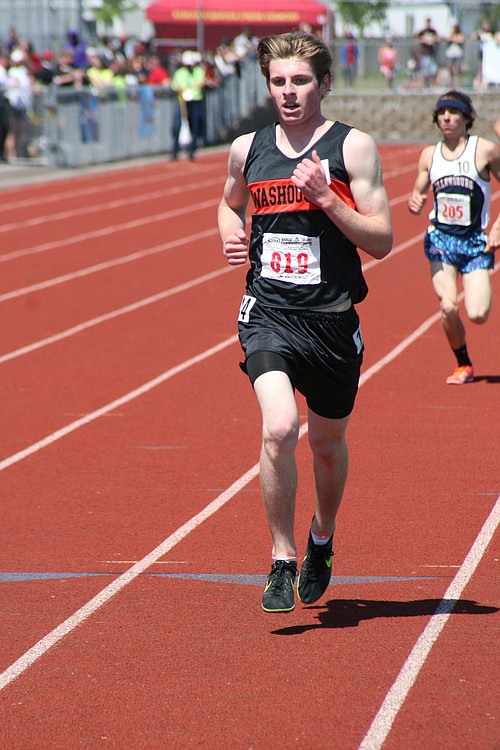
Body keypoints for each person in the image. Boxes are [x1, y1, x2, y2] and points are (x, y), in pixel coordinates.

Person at [217, 31, 392, 613]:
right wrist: (229, 232)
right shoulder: (248, 147)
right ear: (267, 84)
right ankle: (281, 558)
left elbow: (384, 240)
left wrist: (329, 199)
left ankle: (322, 537)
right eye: (279, 82)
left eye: (301, 81)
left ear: (323, 84)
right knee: (278, 428)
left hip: (333, 322)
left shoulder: (353, 148)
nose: (289, 93)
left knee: (326, 444)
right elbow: (228, 201)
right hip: (268, 312)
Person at [408, 91, 500, 384]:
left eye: (453, 112)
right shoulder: (429, 154)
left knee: (478, 313)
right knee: (448, 306)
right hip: (441, 240)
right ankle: (463, 364)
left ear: (466, 118)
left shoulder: (484, 150)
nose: (446, 118)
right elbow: (419, 188)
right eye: (441, 113)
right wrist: (416, 198)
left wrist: (498, 226)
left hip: (475, 243)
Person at [170, 50, 206, 160]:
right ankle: (175, 151)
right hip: (183, 101)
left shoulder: (199, 71)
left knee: (194, 125)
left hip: (195, 101)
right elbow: (175, 85)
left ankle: (192, 150)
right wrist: (180, 88)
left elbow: (201, 83)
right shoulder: (180, 72)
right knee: (178, 125)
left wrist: (190, 87)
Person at [416, 17, 440, 88]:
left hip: (431, 54)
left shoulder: (433, 31)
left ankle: (432, 85)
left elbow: (438, 38)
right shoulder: (423, 31)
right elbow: (417, 38)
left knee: (432, 71)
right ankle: (425, 86)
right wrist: (425, 40)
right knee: (425, 72)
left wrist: (433, 40)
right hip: (424, 54)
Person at [445, 24, 465, 89]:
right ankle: (450, 87)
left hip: (458, 54)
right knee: (450, 71)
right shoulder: (450, 34)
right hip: (450, 54)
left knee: (458, 72)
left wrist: (454, 39)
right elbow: (447, 38)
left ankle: (459, 87)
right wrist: (453, 38)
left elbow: (461, 39)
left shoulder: (460, 34)